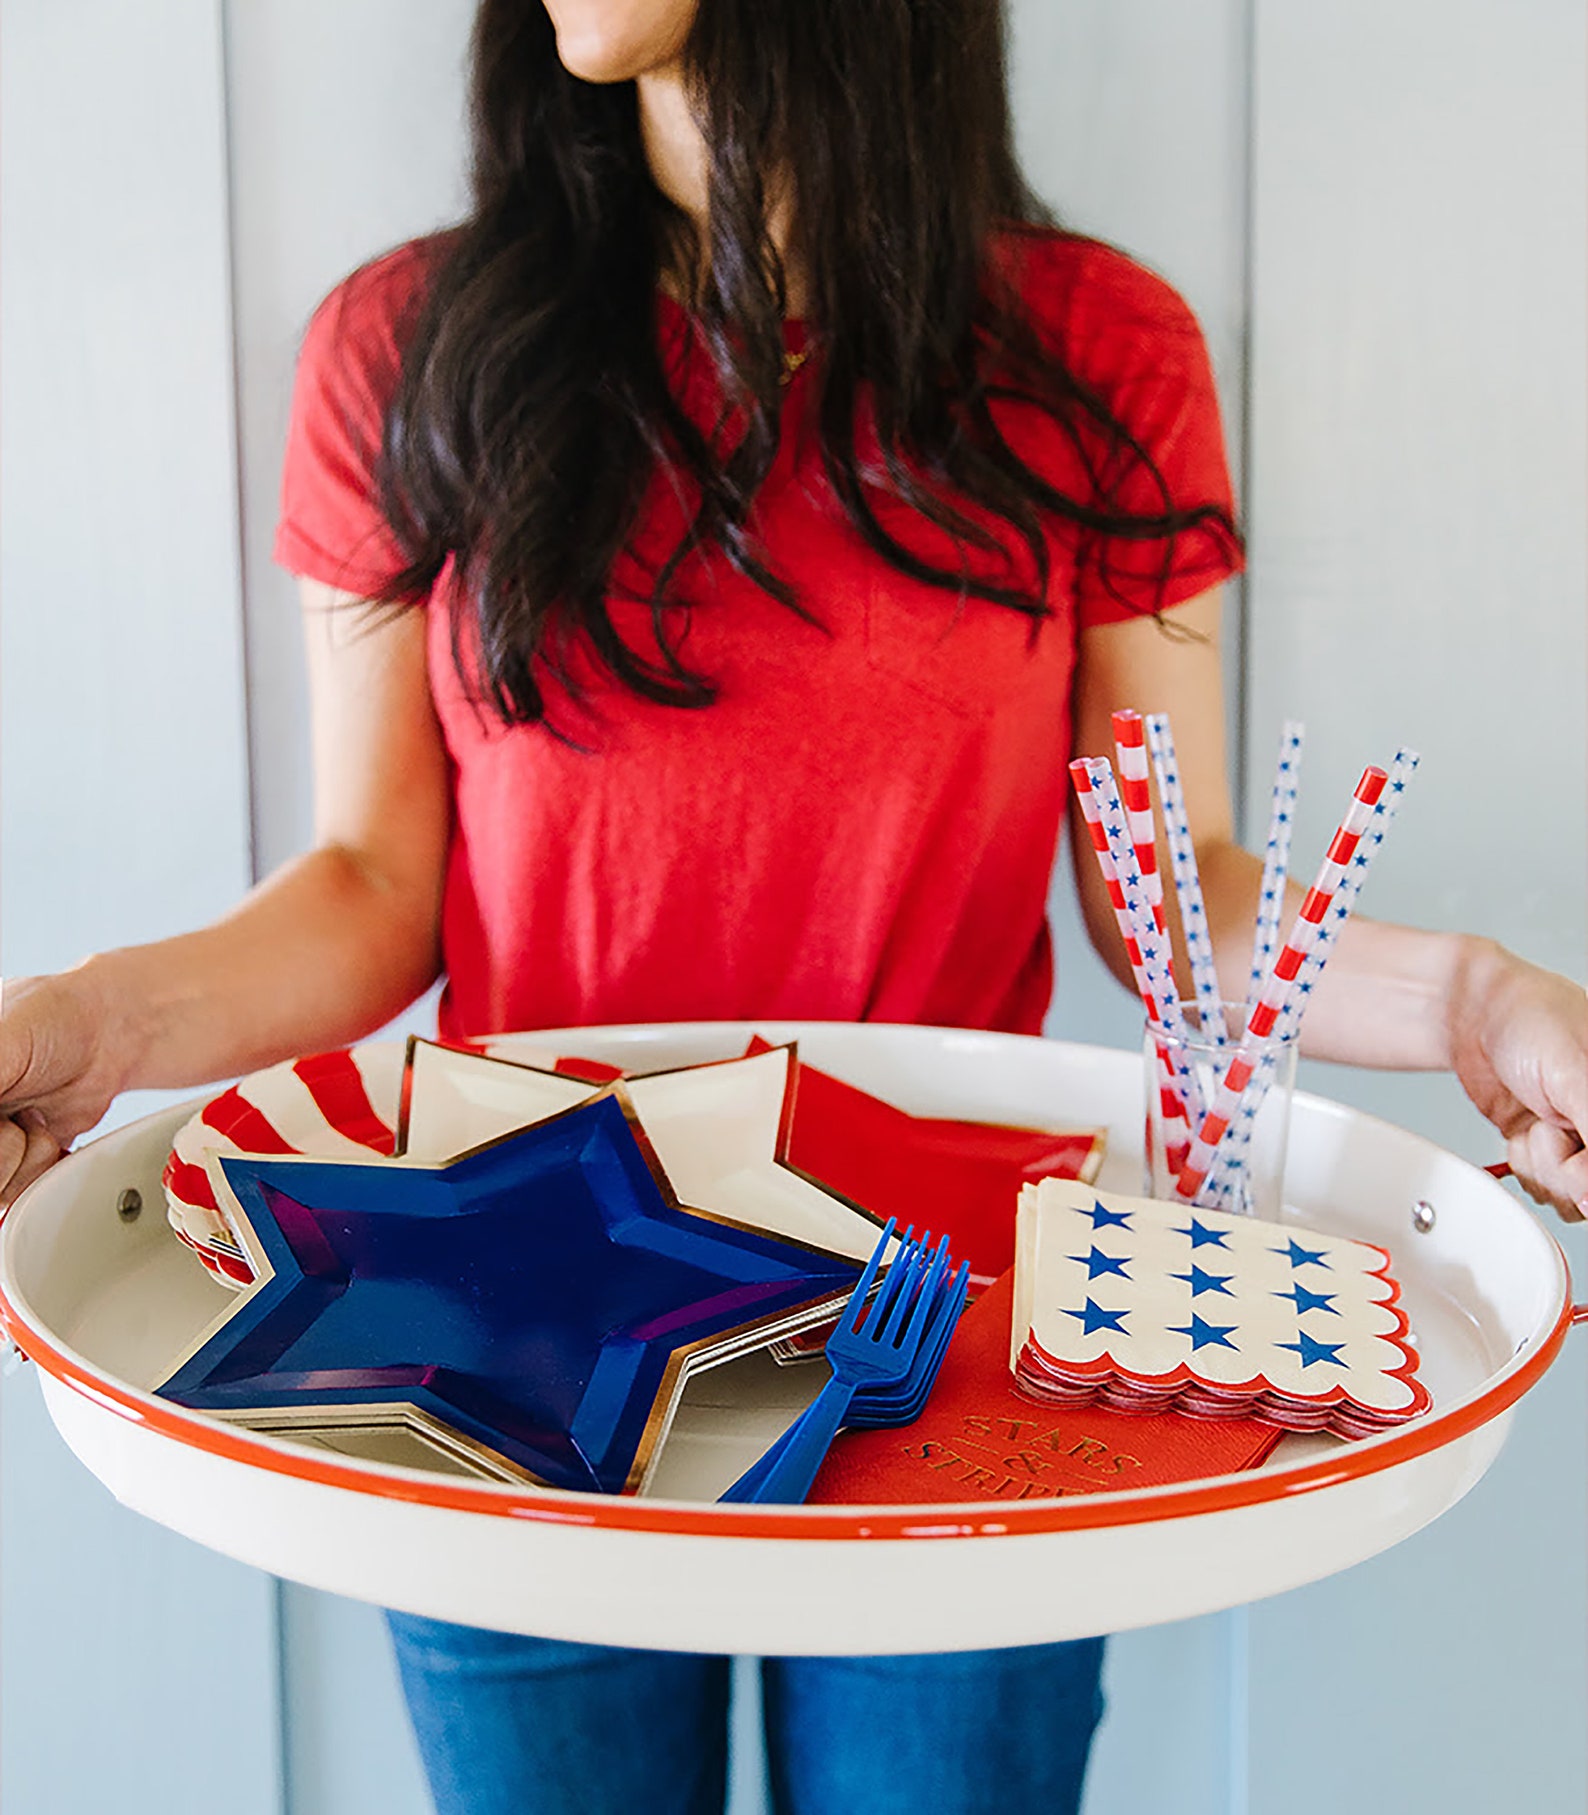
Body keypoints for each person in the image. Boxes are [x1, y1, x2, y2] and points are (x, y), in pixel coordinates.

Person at [2, 2, 1585, 1811]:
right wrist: (92, 1029)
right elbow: (373, 883)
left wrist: (1479, 1007)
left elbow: (1174, 896)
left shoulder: (1096, 348)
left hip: (949, 1348)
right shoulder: (404, 345)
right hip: (495, 1340)